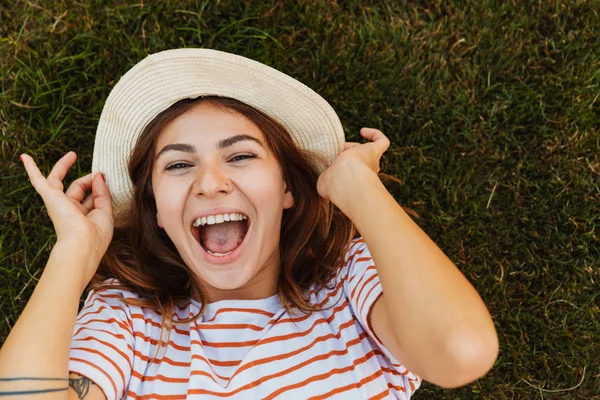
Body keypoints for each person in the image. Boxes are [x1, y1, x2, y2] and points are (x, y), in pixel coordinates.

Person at [0, 49, 498, 399]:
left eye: (239, 156)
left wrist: (360, 190)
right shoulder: (130, 317)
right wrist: (73, 255)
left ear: (286, 189)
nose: (210, 183)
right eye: (178, 165)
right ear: (154, 208)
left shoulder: (349, 287)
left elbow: (462, 352)